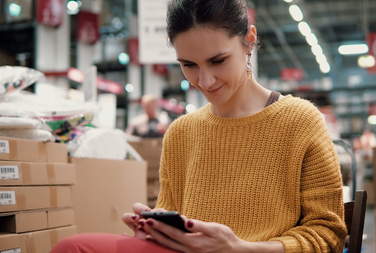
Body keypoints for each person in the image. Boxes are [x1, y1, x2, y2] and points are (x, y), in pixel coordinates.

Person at [51, 0, 346, 252]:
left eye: (218, 61)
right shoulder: (182, 132)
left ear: (249, 41)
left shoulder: (299, 120)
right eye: (189, 65)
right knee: (73, 247)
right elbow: (175, 224)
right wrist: (156, 231)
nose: (204, 81)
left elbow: (329, 234)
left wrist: (241, 249)